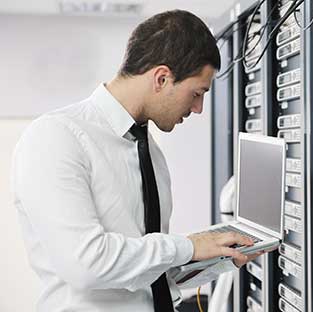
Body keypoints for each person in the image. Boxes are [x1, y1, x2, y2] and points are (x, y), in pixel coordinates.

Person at [11, 9, 264, 312]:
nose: (198, 108)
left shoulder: (148, 150)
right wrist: (188, 245)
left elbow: (144, 275)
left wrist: (215, 256)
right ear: (161, 78)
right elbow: (86, 264)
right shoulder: (56, 138)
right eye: (196, 93)